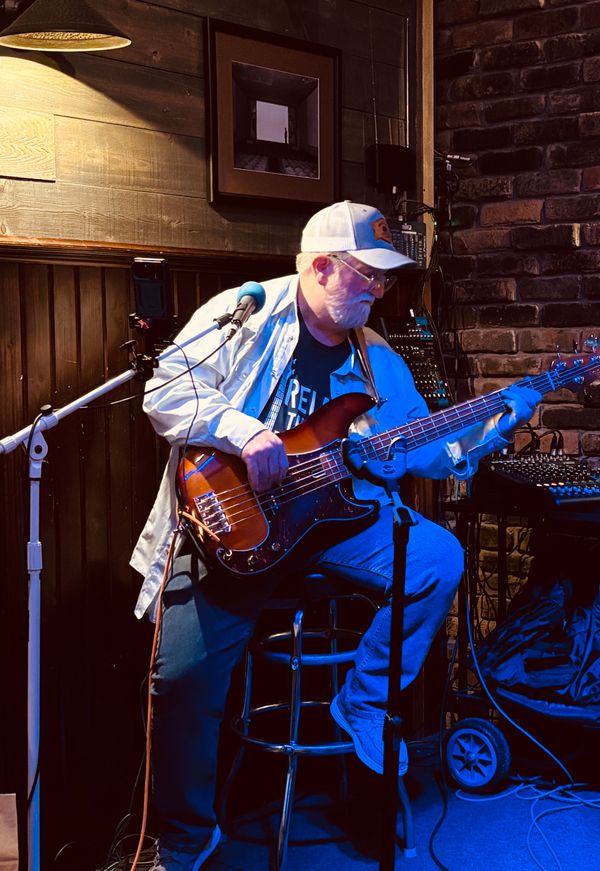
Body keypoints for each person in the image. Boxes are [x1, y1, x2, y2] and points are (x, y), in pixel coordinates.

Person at [131, 201, 541, 870]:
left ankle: (366, 698)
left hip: (331, 525)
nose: (378, 290)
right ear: (321, 266)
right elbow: (164, 394)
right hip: (232, 522)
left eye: (385, 279)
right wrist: (244, 433)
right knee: (181, 680)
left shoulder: (377, 360)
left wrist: (495, 424)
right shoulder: (244, 313)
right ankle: (185, 837)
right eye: (367, 275)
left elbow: (427, 452)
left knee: (438, 557)